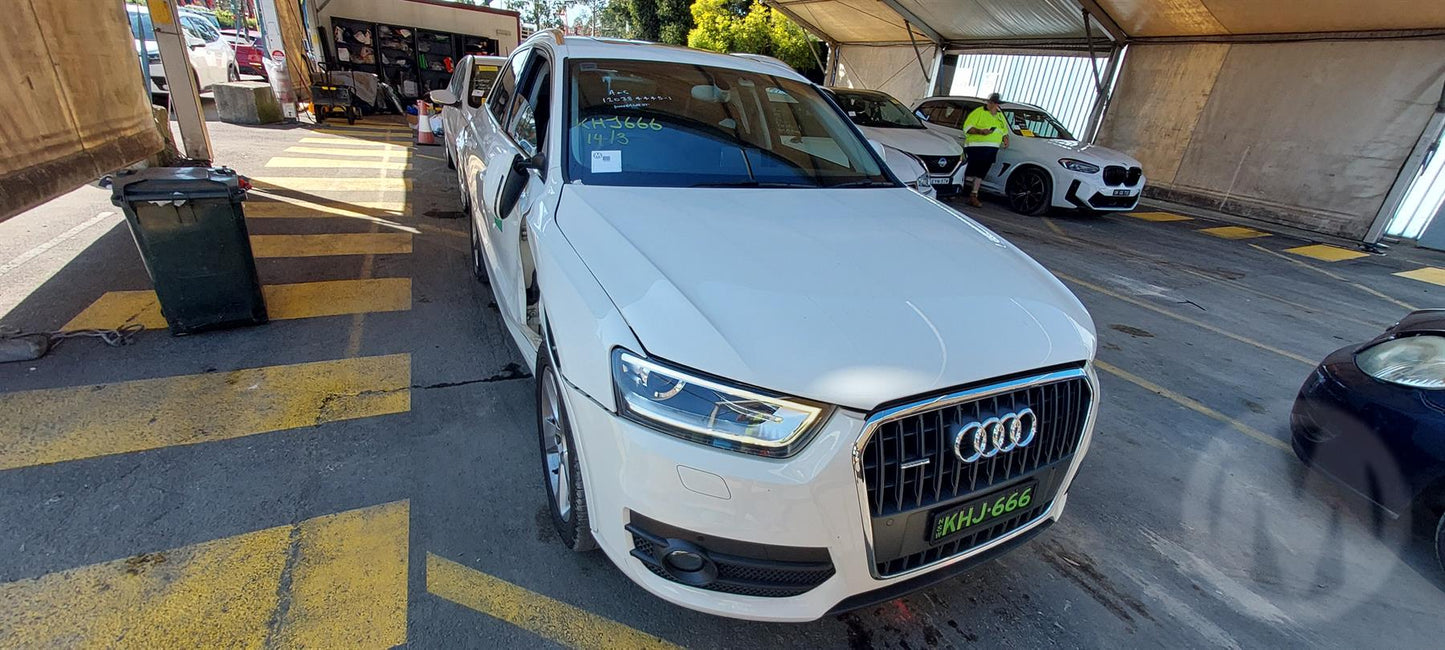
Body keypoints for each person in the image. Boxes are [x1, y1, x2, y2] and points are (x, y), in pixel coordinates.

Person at [960, 93, 1011, 208]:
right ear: (990, 103)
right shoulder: (979, 112)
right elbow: (967, 128)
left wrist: (1006, 138)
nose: (996, 106)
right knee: (969, 171)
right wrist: (981, 131)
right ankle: (955, 190)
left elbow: (1003, 130)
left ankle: (973, 195)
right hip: (976, 147)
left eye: (998, 104)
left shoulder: (999, 115)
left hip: (991, 149)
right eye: (994, 103)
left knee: (980, 173)